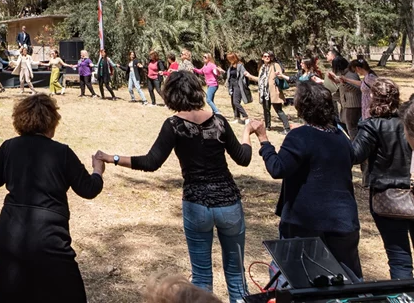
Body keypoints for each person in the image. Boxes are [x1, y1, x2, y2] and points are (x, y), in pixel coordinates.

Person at [96, 71, 253, 303]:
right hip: (228, 202)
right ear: (197, 91)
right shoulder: (219, 121)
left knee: (201, 278)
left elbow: (151, 162)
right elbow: (243, 157)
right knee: (237, 278)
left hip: (196, 205)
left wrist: (113, 158)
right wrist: (248, 133)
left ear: (170, 94)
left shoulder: (173, 125)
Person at [0, 93, 103, 302]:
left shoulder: (9, 146)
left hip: (10, 230)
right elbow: (89, 189)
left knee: (15, 294)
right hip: (48, 233)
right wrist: (98, 170)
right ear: (51, 122)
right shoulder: (62, 152)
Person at [250, 81, 362, 279]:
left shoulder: (300, 136)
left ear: (302, 107)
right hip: (343, 219)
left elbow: (277, 168)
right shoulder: (340, 137)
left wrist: (264, 140)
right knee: (349, 279)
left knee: (300, 279)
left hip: (305, 221)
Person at [350, 78, 414, 279]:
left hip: (386, 197)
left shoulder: (371, 126)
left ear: (373, 98)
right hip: (411, 191)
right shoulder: (407, 121)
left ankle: (404, 294)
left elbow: (355, 155)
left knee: (399, 258)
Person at [245, 51, 290, 134]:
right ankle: (267, 126)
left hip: (274, 92)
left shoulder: (275, 65)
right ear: (262, 58)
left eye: (268, 56)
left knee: (279, 110)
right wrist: (249, 76)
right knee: (266, 110)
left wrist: (279, 75)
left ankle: (287, 128)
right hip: (264, 92)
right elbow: (260, 79)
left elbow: (280, 76)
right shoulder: (262, 67)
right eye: (265, 56)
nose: (267, 57)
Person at [326, 56, 362, 138]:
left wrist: (344, 82)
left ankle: (355, 143)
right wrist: (334, 80)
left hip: (353, 104)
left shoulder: (350, 74)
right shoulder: (345, 74)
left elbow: (357, 88)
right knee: (346, 124)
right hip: (347, 104)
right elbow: (342, 84)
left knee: (351, 127)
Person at [223, 53, 251, 124]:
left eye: (230, 58)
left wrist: (247, 77)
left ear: (234, 58)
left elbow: (245, 74)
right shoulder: (231, 66)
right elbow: (229, 75)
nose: (228, 60)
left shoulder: (240, 66)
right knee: (233, 102)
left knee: (236, 102)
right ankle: (237, 117)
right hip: (232, 86)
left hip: (238, 85)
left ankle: (246, 117)